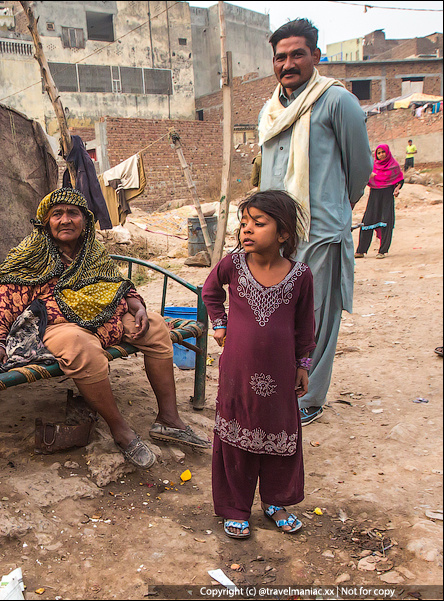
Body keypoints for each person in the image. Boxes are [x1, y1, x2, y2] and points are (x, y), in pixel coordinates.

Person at [0, 187, 210, 469]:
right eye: (57, 214)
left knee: (155, 325)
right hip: (58, 323)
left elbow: (118, 286)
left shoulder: (92, 252)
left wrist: (138, 307)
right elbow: (3, 296)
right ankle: (120, 430)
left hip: (106, 318)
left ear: (85, 221)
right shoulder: (30, 254)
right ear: (45, 221)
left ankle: (169, 419)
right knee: (83, 349)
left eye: (73, 213)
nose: (65, 220)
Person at [258, 18, 372, 426]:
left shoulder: (336, 101)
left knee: (316, 316)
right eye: (280, 56)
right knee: (276, 314)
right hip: (276, 234)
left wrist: (335, 207)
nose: (288, 63)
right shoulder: (271, 110)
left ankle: (309, 400)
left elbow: (360, 168)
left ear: (315, 57)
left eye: (296, 54)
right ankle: (279, 388)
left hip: (320, 230)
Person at [203, 190, 316, 539]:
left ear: (283, 233)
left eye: (258, 223)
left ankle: (275, 502)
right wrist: (219, 324)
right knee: (237, 431)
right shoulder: (233, 265)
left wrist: (303, 364)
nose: (247, 230)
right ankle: (236, 507)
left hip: (281, 374)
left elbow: (305, 325)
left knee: (280, 433)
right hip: (237, 372)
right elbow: (210, 290)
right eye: (244, 223)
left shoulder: (300, 275)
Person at [356, 144, 404, 259]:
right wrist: (368, 175)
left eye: (383, 152)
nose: (381, 155)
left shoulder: (394, 165)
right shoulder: (372, 166)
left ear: (387, 153)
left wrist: (397, 189)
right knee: (367, 222)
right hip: (374, 197)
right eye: (379, 153)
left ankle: (382, 251)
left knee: (386, 222)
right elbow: (363, 177)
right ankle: (361, 250)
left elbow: (400, 180)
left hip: (387, 197)